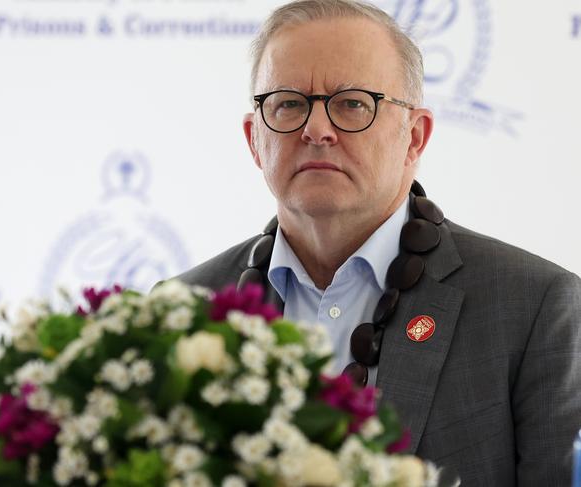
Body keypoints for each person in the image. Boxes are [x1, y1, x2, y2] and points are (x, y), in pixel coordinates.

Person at [175, 0, 581, 485]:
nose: (317, 130)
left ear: (415, 136)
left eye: (352, 103)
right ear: (253, 140)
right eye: (288, 103)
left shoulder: (536, 309)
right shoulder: (184, 311)